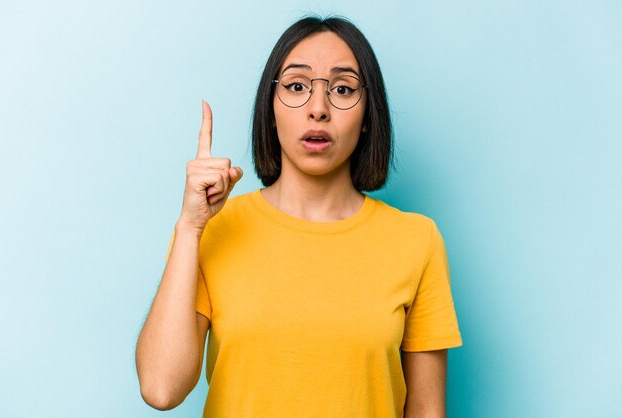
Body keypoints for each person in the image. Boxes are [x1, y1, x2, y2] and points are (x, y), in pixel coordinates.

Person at [135, 16, 462, 418]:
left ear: (367, 118)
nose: (318, 109)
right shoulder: (212, 229)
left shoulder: (417, 241)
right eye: (296, 87)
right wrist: (189, 227)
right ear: (270, 110)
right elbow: (160, 388)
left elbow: (427, 410)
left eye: (342, 89)